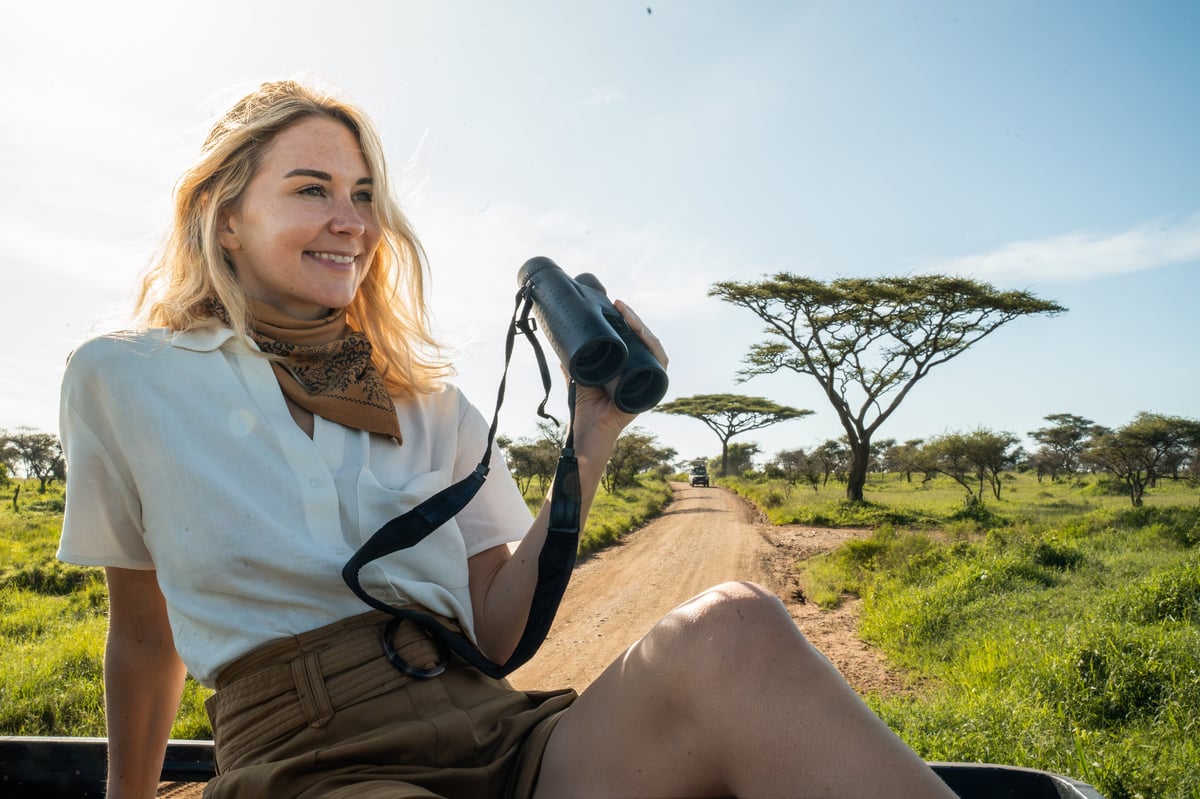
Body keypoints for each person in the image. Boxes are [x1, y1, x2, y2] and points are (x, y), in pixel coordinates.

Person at [57, 78, 957, 799]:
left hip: (496, 731)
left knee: (736, 625)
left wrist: (590, 437)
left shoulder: (428, 400)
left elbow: (495, 624)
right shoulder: (127, 377)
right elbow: (144, 634)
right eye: (312, 190)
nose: (355, 222)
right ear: (224, 215)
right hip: (309, 759)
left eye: (366, 195)